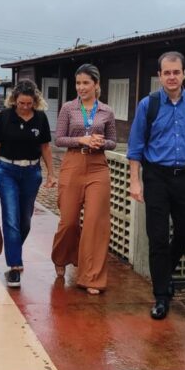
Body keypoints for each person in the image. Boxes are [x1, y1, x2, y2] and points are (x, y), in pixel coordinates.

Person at [126, 51, 185, 320]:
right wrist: (135, 181)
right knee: (158, 237)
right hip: (156, 177)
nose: (172, 77)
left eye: (176, 72)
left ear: (184, 74)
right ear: (159, 76)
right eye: (167, 72)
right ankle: (161, 296)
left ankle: (164, 273)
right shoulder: (148, 105)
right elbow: (135, 147)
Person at [51, 64, 117, 295]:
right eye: (78, 83)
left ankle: (92, 278)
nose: (81, 87)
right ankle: (61, 256)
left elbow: (113, 142)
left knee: (95, 223)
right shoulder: (68, 108)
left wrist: (101, 142)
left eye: (86, 83)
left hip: (98, 167)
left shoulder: (106, 111)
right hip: (73, 164)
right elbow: (59, 139)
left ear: (96, 84)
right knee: (69, 221)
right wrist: (81, 140)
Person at [0, 79, 57, 288]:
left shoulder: (41, 118)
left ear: (35, 101)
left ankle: (13, 248)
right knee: (11, 218)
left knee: (24, 221)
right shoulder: (4, 117)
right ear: (14, 100)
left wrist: (51, 173)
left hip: (32, 173)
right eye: (21, 103)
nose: (25, 107)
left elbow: (45, 147)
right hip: (6, 171)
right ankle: (15, 266)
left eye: (29, 104)